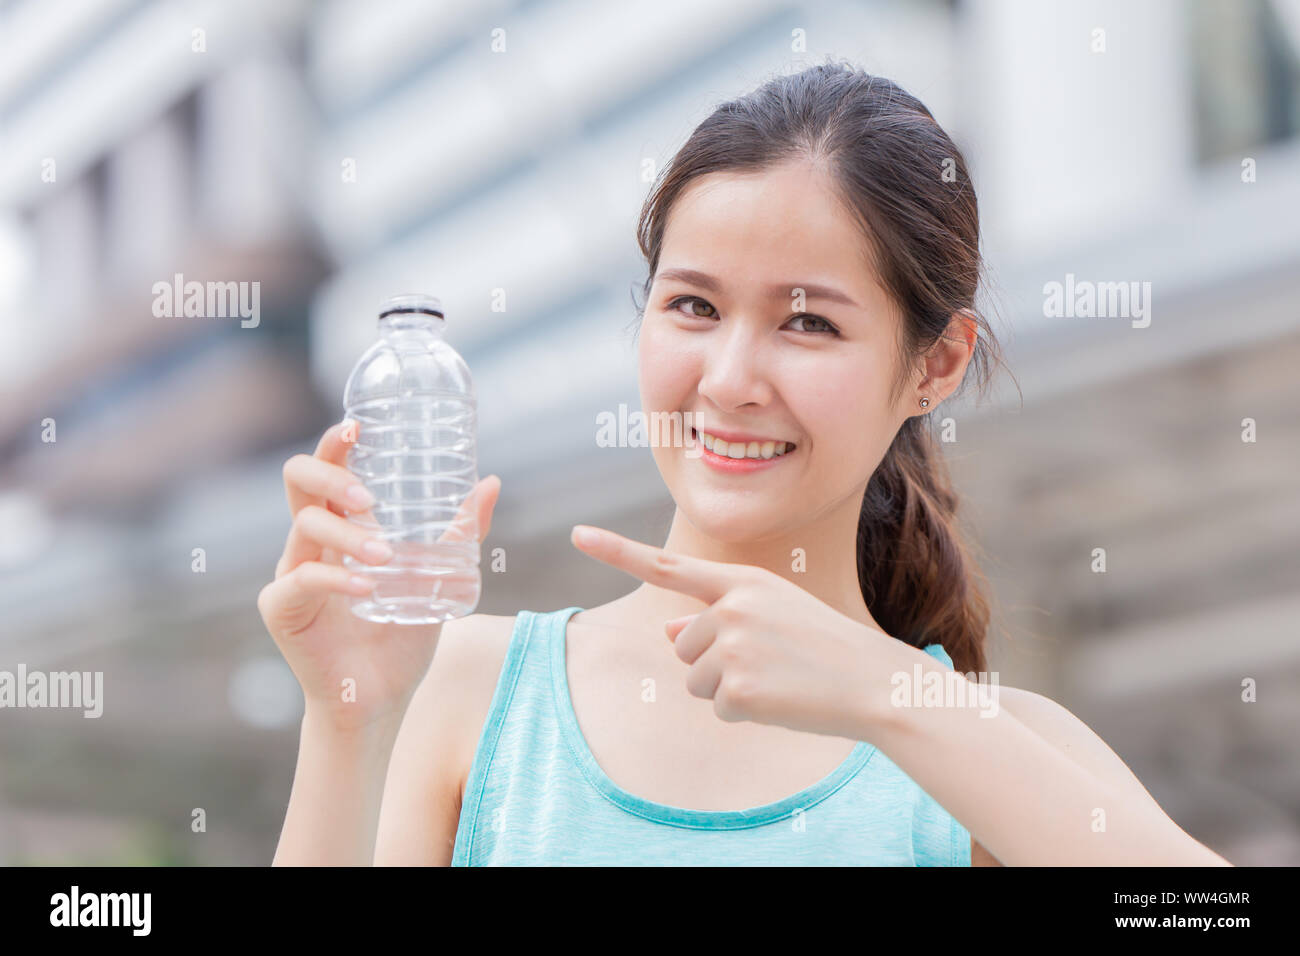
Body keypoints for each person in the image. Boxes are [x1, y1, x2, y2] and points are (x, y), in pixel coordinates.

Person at [260, 61, 1231, 866]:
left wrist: (888, 694)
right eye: (691, 305)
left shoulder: (988, 748)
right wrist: (349, 716)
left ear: (934, 363)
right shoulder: (467, 686)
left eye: (807, 320)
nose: (728, 379)